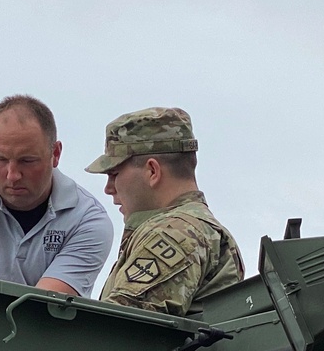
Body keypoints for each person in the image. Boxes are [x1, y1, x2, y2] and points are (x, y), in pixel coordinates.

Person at [0, 94, 113, 296]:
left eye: (27, 161)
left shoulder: (87, 221)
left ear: (56, 154)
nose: (12, 175)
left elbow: (40, 308)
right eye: (0, 159)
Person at [84, 107, 244, 315]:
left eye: (114, 174)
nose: (108, 188)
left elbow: (117, 328)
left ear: (152, 171)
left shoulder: (175, 232)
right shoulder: (193, 229)